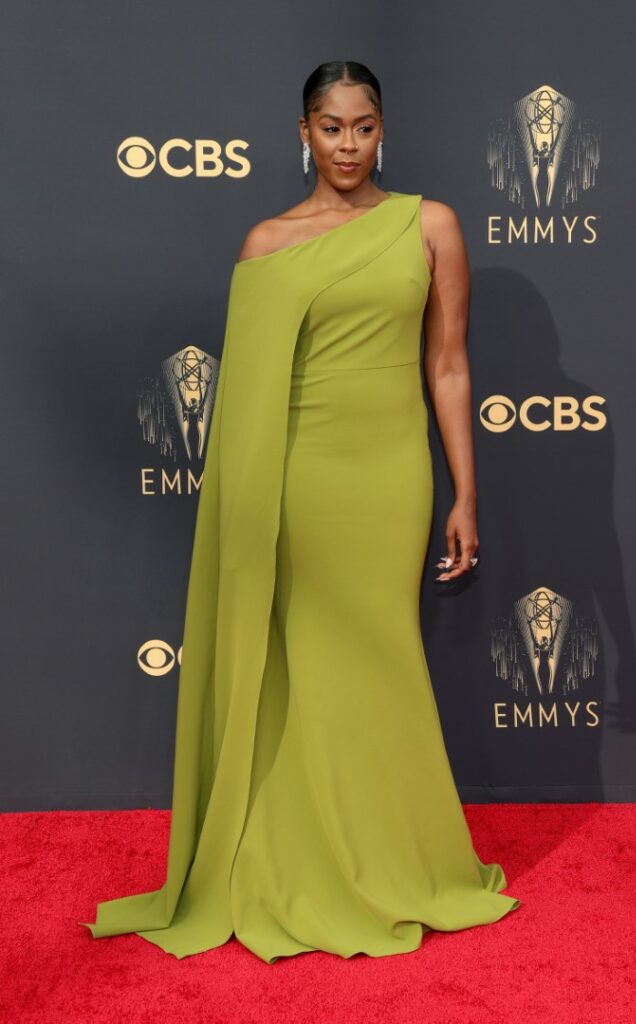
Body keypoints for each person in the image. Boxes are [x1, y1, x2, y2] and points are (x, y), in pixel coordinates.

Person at [79, 60, 520, 963]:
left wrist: (466, 491)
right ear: (302, 134)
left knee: (380, 667)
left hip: (387, 478)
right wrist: (241, 518)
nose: (348, 145)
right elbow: (242, 404)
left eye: (362, 127)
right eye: (330, 127)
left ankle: (395, 856)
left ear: (382, 130)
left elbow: (447, 365)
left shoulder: (427, 224)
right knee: (300, 673)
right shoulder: (268, 243)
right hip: (293, 483)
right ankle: (285, 855)